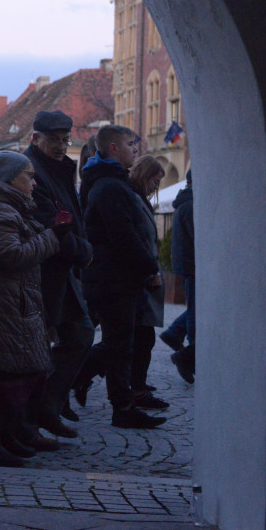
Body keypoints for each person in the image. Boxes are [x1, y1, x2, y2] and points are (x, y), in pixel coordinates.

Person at [0, 150, 66, 467]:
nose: (34, 182)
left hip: (4, 303)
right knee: (1, 379)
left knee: (12, 376)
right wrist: (52, 238)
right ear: (10, 178)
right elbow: (13, 256)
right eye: (28, 175)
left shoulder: (4, 206)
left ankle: (6, 438)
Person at [74, 125, 166, 429]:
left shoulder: (111, 182)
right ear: (113, 148)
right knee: (117, 345)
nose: (135, 150)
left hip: (114, 277)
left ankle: (123, 406)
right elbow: (124, 236)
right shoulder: (110, 186)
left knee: (121, 345)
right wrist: (149, 268)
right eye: (130, 144)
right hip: (113, 279)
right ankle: (68, 378)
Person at [23, 111, 93, 436]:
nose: (62, 145)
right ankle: (30, 418)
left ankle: (47, 408)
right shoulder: (31, 171)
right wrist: (83, 250)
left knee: (79, 335)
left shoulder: (59, 169)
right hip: (44, 271)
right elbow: (51, 223)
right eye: (55, 139)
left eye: (66, 139)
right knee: (39, 348)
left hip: (62, 274)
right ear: (36, 138)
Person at [127, 155, 169, 410]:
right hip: (138, 278)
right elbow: (135, 239)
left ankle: (136, 387)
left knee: (142, 338)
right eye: (155, 180)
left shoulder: (139, 198)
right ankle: (136, 390)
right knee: (138, 339)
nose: (157, 187)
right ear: (145, 175)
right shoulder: (133, 198)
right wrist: (150, 270)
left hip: (143, 277)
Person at [162, 169, 195, 383]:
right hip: (194, 265)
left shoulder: (185, 203)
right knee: (197, 309)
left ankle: (174, 333)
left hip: (188, 264)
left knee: (196, 307)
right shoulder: (192, 206)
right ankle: (190, 352)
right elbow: (198, 238)